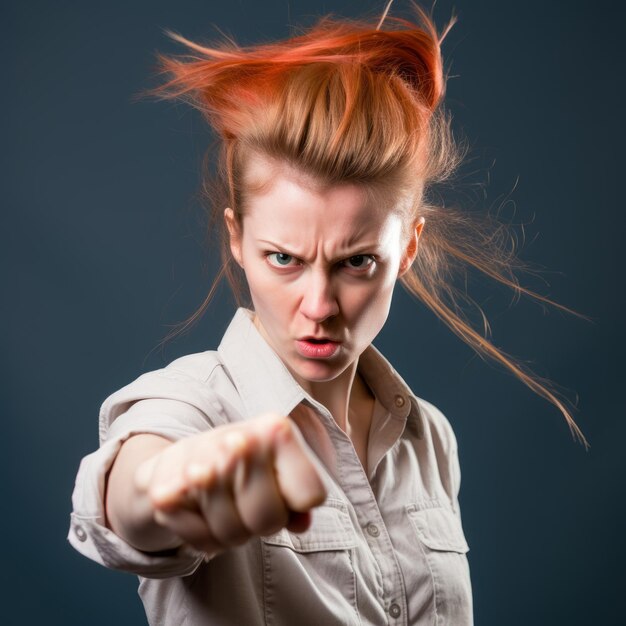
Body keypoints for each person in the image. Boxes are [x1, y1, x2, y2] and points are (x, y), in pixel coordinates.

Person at [68, 2, 588, 625]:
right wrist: (176, 488)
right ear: (237, 238)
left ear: (409, 248)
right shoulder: (191, 407)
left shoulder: (430, 440)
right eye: (283, 258)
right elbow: (133, 497)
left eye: (357, 262)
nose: (318, 307)